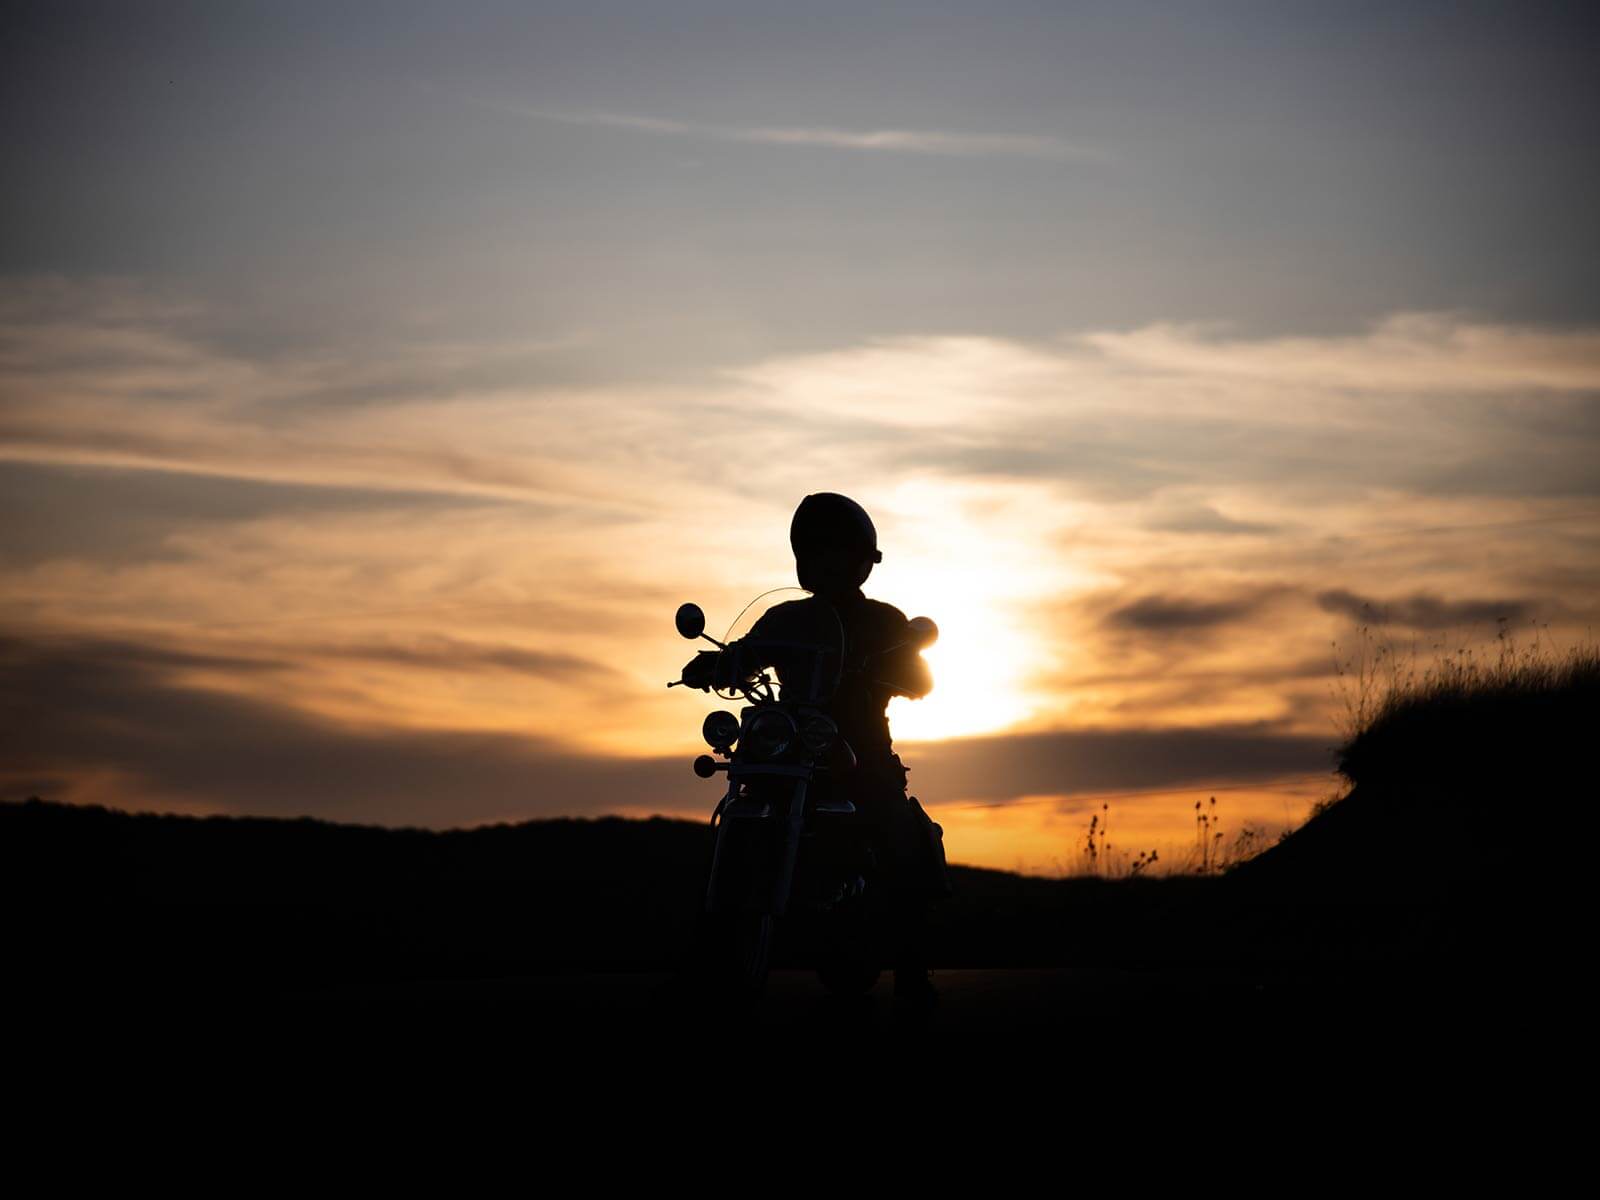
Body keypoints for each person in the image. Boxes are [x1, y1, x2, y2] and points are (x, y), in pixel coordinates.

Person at [680, 492, 952, 1016]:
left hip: (859, 752)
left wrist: (896, 670)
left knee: (901, 832)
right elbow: (750, 654)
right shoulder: (785, 619)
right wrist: (717, 664)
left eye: (836, 551)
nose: (825, 562)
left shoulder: (884, 622)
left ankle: (913, 974)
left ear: (859, 560)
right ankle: (707, 957)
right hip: (791, 749)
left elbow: (920, 677)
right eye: (816, 551)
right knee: (734, 817)